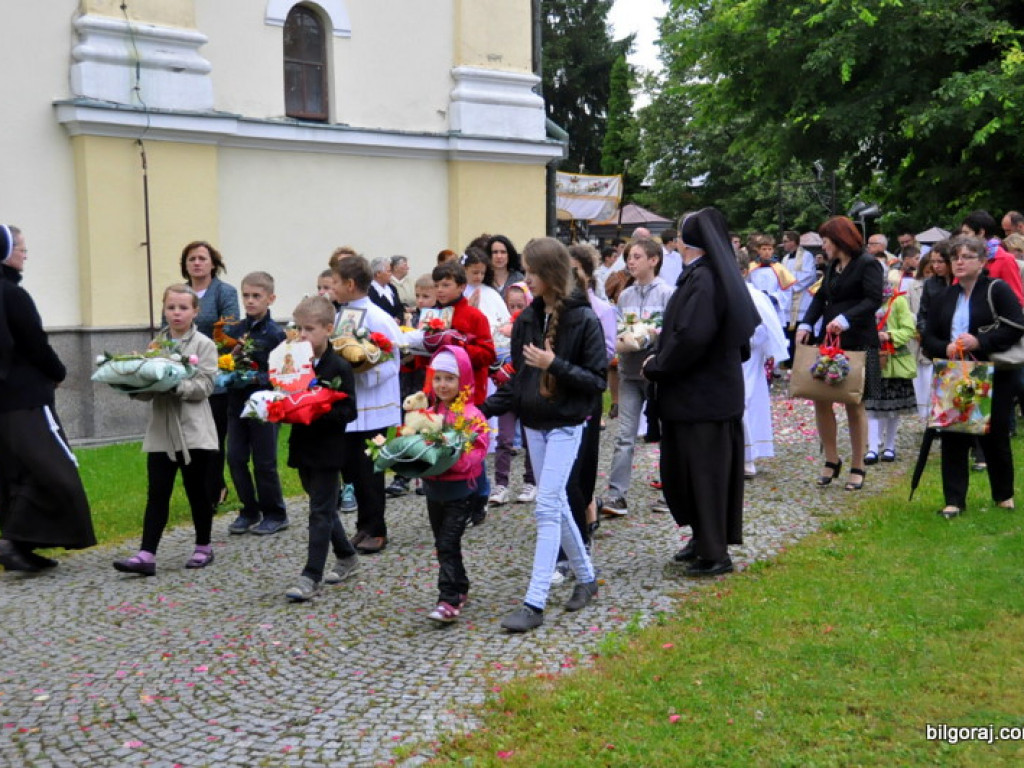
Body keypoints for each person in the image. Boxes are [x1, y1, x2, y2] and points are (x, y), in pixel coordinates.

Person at [481, 237, 606, 632]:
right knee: (558, 505)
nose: (526, 279)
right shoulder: (529, 319)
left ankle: (534, 603)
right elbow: (520, 379)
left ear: (551, 273)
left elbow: (597, 381)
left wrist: (556, 364)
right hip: (534, 423)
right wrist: (476, 411)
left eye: (532, 272)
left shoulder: (583, 319)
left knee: (547, 505)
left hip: (568, 423)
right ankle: (587, 579)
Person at [642, 209, 759, 576]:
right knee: (689, 473)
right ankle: (702, 538)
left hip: (703, 398)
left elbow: (692, 336)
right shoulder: (702, 276)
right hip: (696, 397)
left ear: (685, 242)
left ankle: (715, 552)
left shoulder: (705, 279)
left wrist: (657, 365)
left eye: (677, 236)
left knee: (705, 475)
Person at [0, 225, 95, 572]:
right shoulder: (12, 294)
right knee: (55, 470)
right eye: (21, 248)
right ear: (5, 252)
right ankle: (13, 540)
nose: (25, 254)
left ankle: (19, 548)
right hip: (25, 399)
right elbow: (34, 344)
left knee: (17, 471)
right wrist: (57, 372)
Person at [113, 284, 218, 575]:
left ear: (195, 311)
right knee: (157, 492)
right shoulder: (156, 344)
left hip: (193, 430)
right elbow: (148, 384)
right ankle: (147, 554)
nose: (176, 313)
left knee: (197, 491)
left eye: (183, 308)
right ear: (164, 309)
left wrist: (177, 385)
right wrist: (134, 387)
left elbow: (206, 385)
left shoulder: (204, 345)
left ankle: (203, 546)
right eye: (171, 307)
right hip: (161, 430)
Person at [922, 235, 1024, 518]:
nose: (959, 262)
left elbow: (1017, 325)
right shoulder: (945, 296)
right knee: (954, 434)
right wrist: (946, 347)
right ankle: (953, 500)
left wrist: (980, 342)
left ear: (982, 262)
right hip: (957, 372)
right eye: (955, 257)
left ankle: (1003, 494)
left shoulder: (996, 289)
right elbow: (928, 337)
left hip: (995, 372)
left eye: (967, 256)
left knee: (995, 433)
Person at [796, 216, 884, 491]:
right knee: (821, 399)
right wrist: (807, 323)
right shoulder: (833, 266)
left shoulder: (867, 263)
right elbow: (821, 297)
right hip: (831, 342)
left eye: (826, 240)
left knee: (854, 403)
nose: (823, 245)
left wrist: (847, 318)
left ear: (840, 240)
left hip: (859, 340)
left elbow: (873, 299)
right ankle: (832, 459)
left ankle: (858, 464)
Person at [281, 295, 360, 601]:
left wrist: (319, 406)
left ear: (328, 329)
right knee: (322, 506)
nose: (302, 335)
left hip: (328, 450)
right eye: (298, 328)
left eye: (309, 329)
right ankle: (347, 556)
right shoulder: (293, 363)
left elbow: (349, 411)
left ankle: (310, 576)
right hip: (302, 446)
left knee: (319, 512)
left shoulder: (339, 366)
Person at [331, 255, 404, 553]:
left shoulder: (378, 318)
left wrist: (364, 372)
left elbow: (394, 360)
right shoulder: (340, 316)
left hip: (374, 407)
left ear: (350, 284)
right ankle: (363, 526)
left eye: (335, 282)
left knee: (370, 470)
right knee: (352, 470)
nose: (331, 287)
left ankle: (378, 529)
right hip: (351, 407)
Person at [601, 238, 675, 518]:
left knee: (667, 436)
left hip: (657, 375)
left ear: (654, 260)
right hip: (630, 374)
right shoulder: (626, 295)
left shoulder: (668, 293)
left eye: (637, 257)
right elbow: (619, 329)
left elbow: (671, 332)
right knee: (624, 437)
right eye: (628, 257)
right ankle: (616, 496)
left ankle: (671, 492)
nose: (630, 262)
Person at [420, 346, 490, 622]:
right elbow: (418, 445)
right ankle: (460, 587)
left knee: (448, 542)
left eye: (449, 378)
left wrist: (452, 458)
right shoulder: (428, 414)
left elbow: (478, 450)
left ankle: (447, 599)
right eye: (438, 378)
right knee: (443, 542)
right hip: (434, 489)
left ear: (462, 380)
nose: (443, 385)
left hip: (461, 490)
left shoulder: (471, 415)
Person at [223, 272, 289, 535]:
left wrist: (256, 377)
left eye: (256, 296)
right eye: (246, 296)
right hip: (237, 403)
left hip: (265, 406)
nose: (250, 301)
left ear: (270, 298)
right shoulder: (234, 331)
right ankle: (249, 509)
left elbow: (283, 374)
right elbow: (224, 360)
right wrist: (228, 369)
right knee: (236, 457)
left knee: (264, 461)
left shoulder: (275, 334)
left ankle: (275, 512)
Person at [432, 260, 497, 524]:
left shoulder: (473, 316)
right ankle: (449, 491)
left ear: (461, 286)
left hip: (468, 392)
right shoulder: (431, 315)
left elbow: (488, 353)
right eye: (437, 285)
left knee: (468, 444)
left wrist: (460, 344)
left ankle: (479, 495)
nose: (440, 290)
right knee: (444, 440)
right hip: (438, 390)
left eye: (446, 285)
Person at [180, 240, 239, 509]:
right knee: (192, 435)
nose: (197, 263)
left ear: (213, 263)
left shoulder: (224, 292)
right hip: (184, 372)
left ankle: (215, 488)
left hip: (215, 372)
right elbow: (166, 327)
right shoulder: (179, 294)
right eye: (191, 259)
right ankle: (201, 486)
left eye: (202, 258)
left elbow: (231, 329)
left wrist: (206, 352)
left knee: (214, 434)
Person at [737, 251, 789, 478]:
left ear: (744, 272)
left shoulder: (754, 296)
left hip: (747, 355)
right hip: (731, 354)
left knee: (744, 401)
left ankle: (747, 457)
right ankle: (740, 454)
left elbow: (763, 330)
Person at [489, 282, 537, 506]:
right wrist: (496, 370)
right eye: (511, 305)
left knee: (530, 439)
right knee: (504, 438)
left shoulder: (532, 326)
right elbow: (494, 356)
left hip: (527, 389)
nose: (515, 310)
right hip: (506, 389)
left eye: (520, 305)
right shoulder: (500, 328)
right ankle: (501, 484)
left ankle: (531, 480)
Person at [863, 280, 917, 464]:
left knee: (893, 407)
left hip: (894, 359)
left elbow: (909, 329)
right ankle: (871, 448)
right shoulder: (865, 301)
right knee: (871, 405)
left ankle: (889, 446)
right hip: (871, 356)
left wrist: (890, 335)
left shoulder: (898, 301)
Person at [959, 210, 1024, 305]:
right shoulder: (961, 259)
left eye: (966, 233)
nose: (962, 238)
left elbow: (1016, 300)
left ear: (981, 232)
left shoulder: (1005, 259)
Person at [368, 256, 405, 325]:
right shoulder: (369, 291)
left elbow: (399, 307)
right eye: (389, 271)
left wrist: (398, 318)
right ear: (378, 273)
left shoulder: (392, 288)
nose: (391, 274)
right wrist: (390, 321)